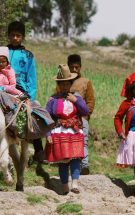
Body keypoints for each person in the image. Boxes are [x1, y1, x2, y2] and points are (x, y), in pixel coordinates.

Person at [45, 64, 89, 195]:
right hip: (59, 132)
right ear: (59, 85)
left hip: (74, 131)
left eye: (67, 84)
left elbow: (85, 111)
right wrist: (48, 134)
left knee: (75, 158)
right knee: (63, 161)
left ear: (71, 84)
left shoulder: (77, 98)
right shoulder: (53, 100)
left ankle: (75, 183)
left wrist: (76, 100)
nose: (64, 87)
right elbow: (47, 118)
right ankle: (64, 185)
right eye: (62, 84)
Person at [7, 21, 44, 162]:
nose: (15, 38)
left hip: (22, 90)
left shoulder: (28, 55)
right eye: (13, 35)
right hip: (4, 88)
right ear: (8, 36)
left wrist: (30, 95)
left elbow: (31, 78)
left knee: (33, 111)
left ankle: (38, 146)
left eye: (18, 35)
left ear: (22, 37)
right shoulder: (3, 51)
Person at [67, 54, 95, 175]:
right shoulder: (64, 82)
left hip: (82, 117)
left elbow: (90, 101)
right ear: (68, 67)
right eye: (72, 67)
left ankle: (84, 165)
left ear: (80, 67)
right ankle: (70, 165)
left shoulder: (86, 82)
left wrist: (86, 115)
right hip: (67, 118)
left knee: (84, 140)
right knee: (68, 140)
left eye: (76, 67)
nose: (74, 70)